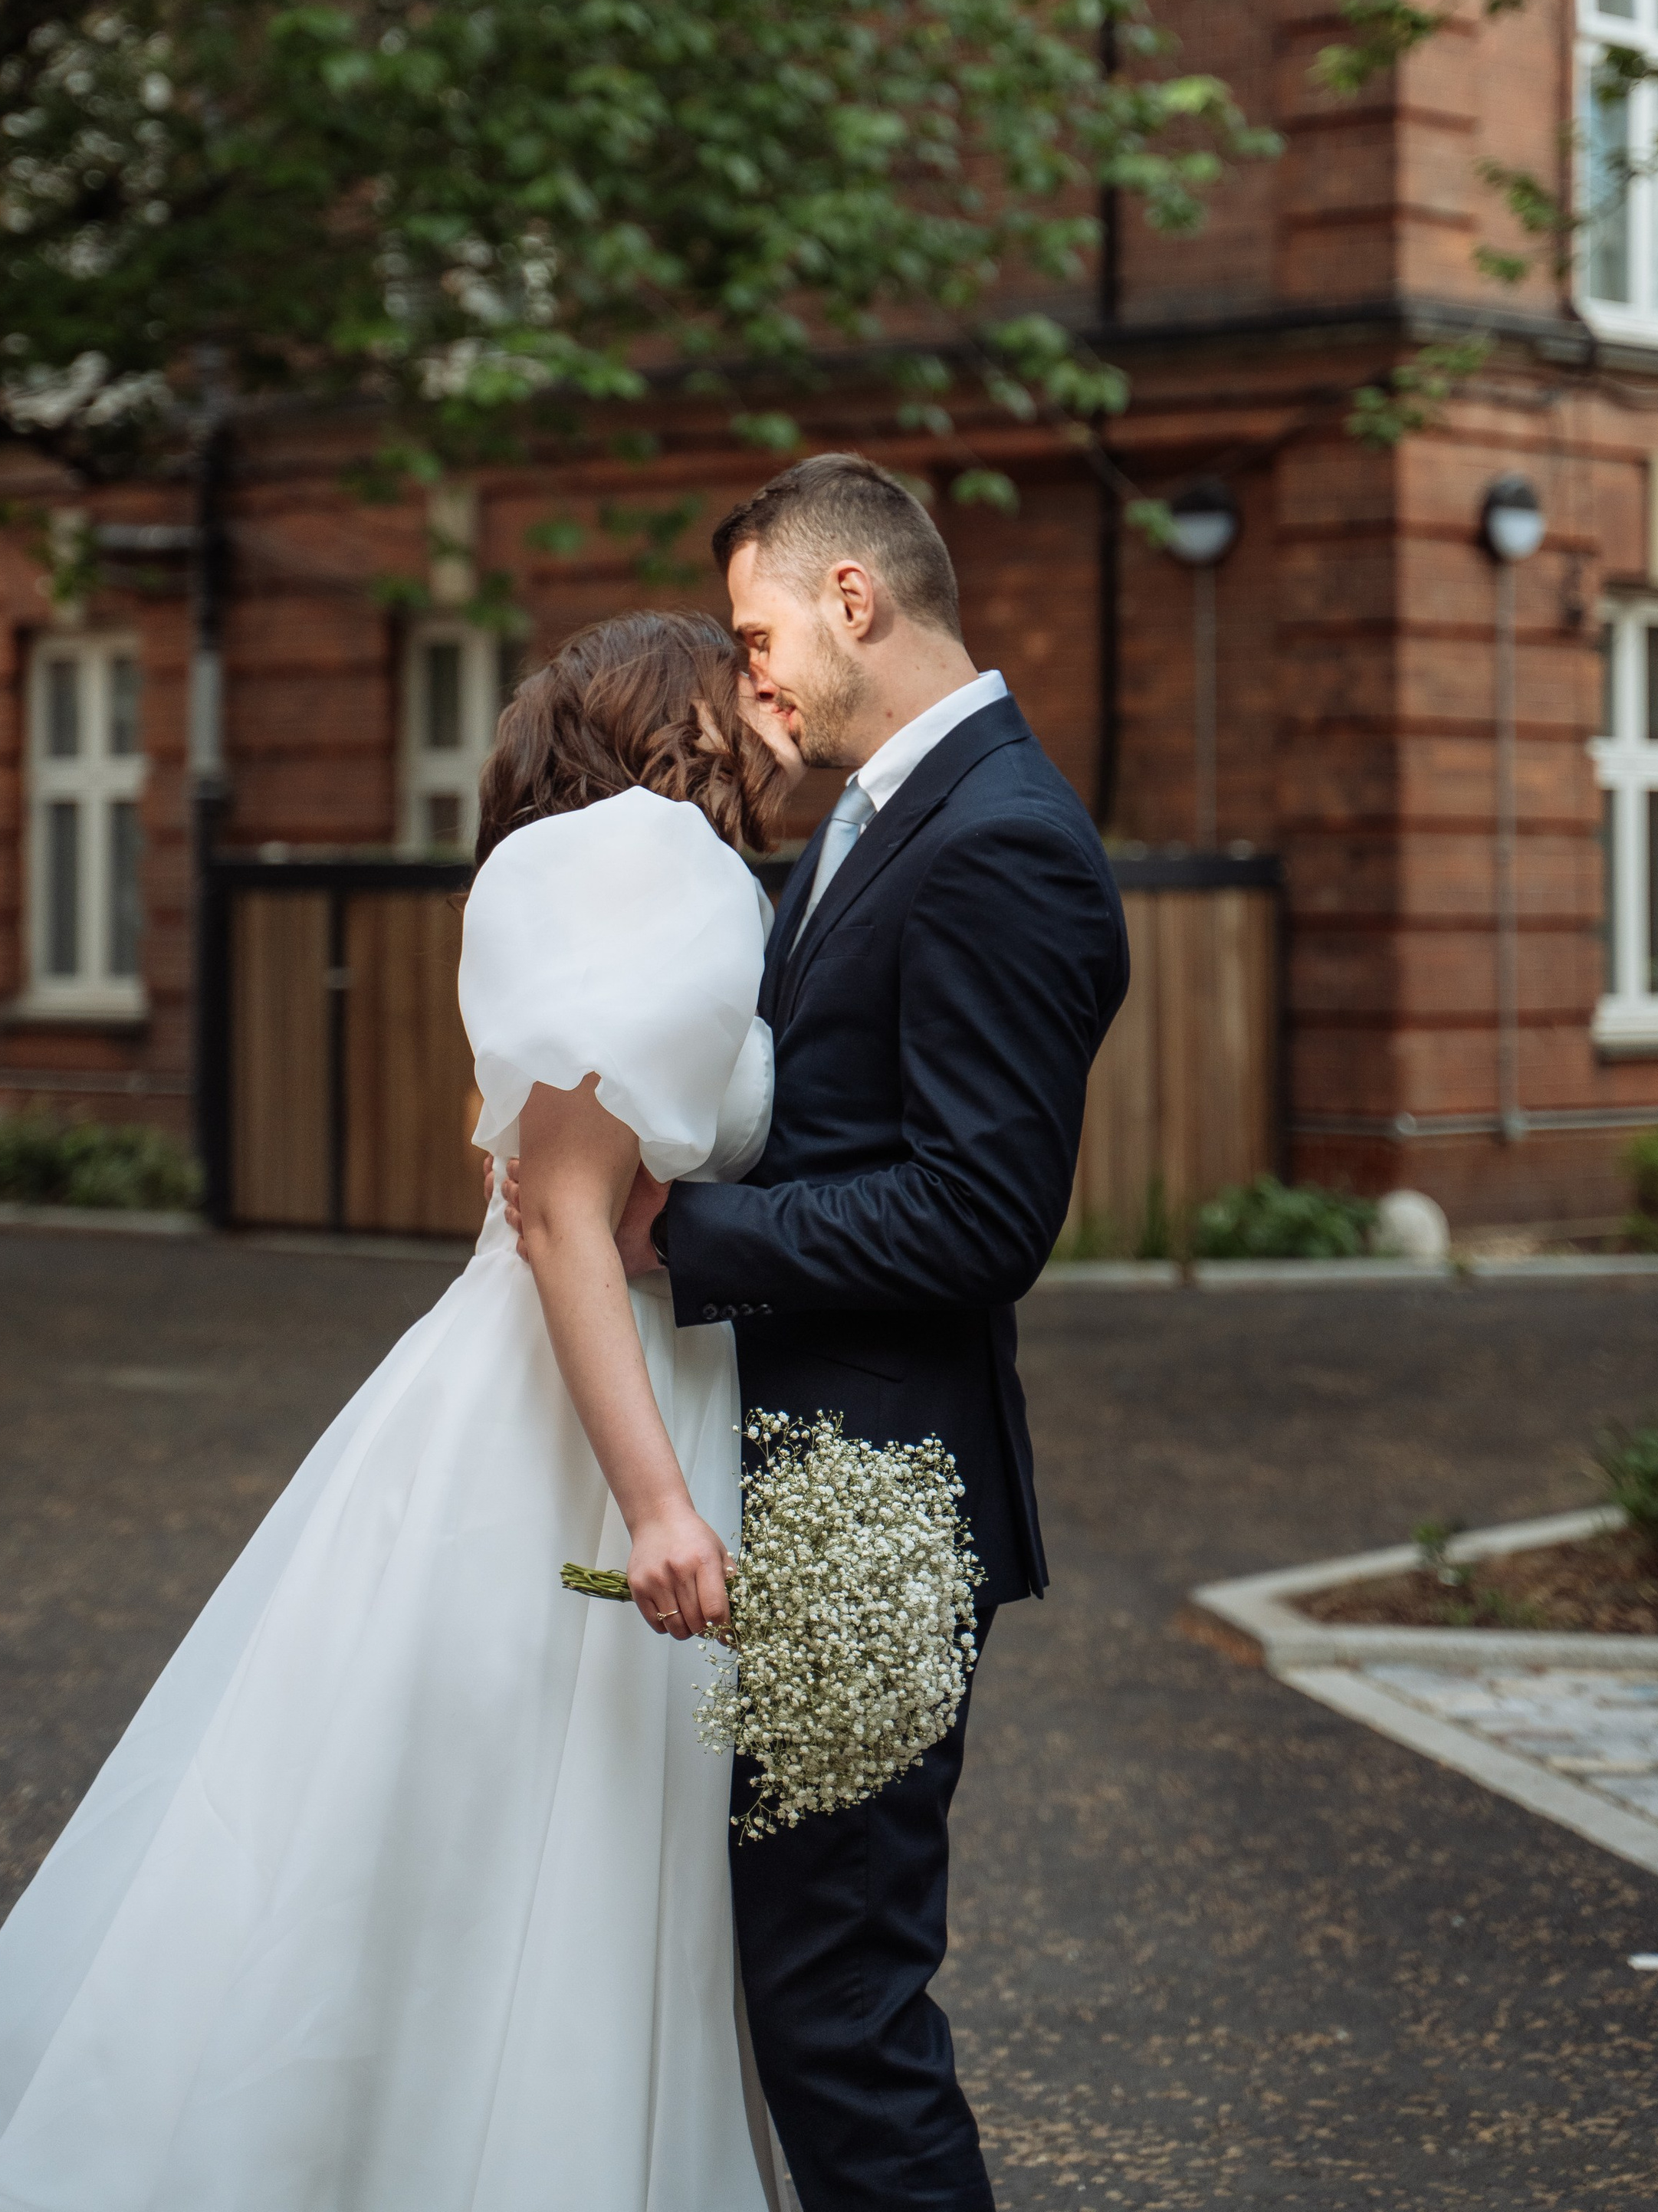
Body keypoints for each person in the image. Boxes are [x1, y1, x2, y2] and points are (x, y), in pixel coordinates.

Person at [0, 609, 803, 2212]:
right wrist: (654, 1505)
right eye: (736, 682)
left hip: (547, 1375)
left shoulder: (564, 868)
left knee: (450, 1836)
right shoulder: (650, 858)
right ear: (676, 721)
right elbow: (562, 1213)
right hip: (584, 1419)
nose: (764, 710)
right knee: (519, 1846)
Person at [512, 454, 1129, 2212]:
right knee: (798, 1993)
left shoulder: (1002, 842)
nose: (749, 669)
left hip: (872, 1503)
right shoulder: (872, 817)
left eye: (757, 626)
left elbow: (977, 1215)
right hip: (789, 1480)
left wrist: (675, 1230)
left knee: (835, 2012)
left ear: (852, 599)